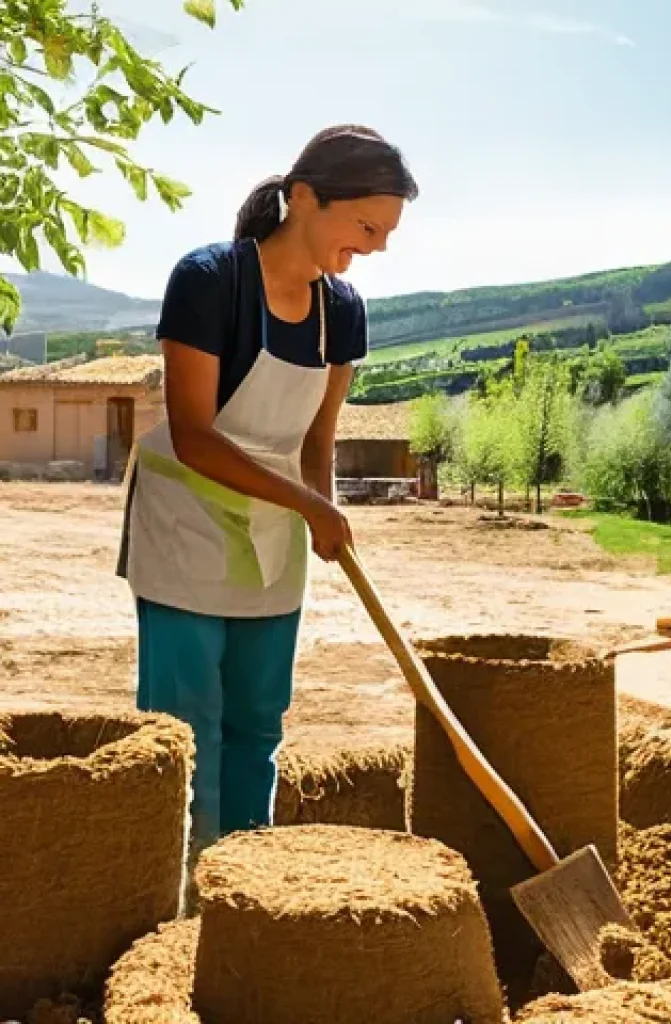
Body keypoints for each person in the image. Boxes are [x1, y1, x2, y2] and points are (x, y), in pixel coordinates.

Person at [116, 125, 418, 868]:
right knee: (186, 726)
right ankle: (174, 890)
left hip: (275, 535)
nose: (376, 246)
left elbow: (318, 442)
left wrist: (324, 509)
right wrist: (310, 504)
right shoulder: (210, 280)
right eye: (366, 226)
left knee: (256, 723)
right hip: (185, 523)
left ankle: (242, 882)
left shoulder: (341, 311)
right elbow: (193, 434)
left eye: (385, 232)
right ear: (307, 198)